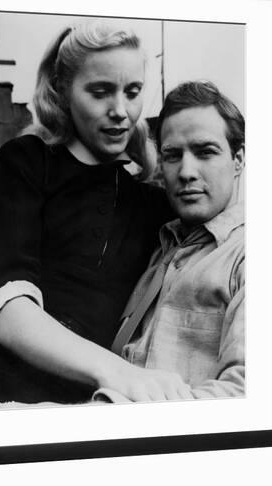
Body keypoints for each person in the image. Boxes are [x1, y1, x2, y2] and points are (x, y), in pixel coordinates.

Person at [0, 22, 175, 405]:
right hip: (8, 393)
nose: (121, 111)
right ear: (62, 89)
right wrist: (116, 371)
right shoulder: (25, 163)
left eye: (133, 92)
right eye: (100, 91)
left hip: (102, 404)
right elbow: (6, 306)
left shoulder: (150, 198)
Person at [96, 80, 245, 402]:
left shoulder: (254, 255)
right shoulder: (163, 246)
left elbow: (246, 396)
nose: (186, 171)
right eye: (173, 155)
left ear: (238, 161)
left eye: (205, 152)